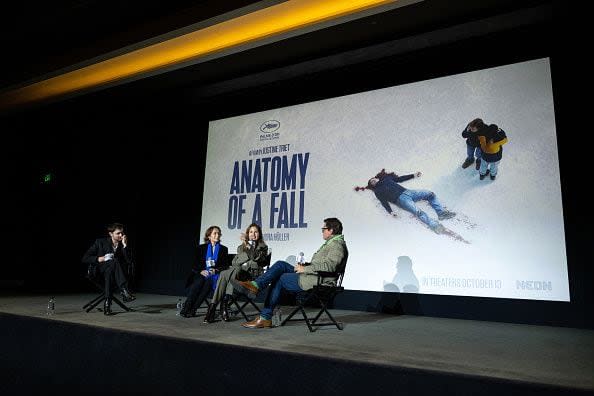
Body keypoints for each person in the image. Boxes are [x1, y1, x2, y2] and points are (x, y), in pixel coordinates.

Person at [231, 218, 348, 329]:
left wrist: (305, 269)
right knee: (281, 264)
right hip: (312, 275)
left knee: (280, 278)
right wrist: (304, 266)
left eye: (324, 229)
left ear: (331, 230)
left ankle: (264, 313)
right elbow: (323, 264)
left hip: (319, 280)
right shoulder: (332, 244)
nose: (322, 231)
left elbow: (330, 266)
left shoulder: (337, 245)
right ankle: (256, 288)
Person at [355, 169, 455, 234]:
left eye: (373, 179)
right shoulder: (377, 191)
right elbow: (384, 203)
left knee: (430, 194)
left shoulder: (387, 179)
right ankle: (435, 226)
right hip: (401, 200)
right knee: (418, 212)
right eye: (371, 182)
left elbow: (400, 179)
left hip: (409, 192)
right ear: (372, 186)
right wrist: (391, 212)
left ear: (377, 178)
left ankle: (441, 213)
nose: (373, 181)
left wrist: (414, 175)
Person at [204, 223, 269, 323]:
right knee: (234, 271)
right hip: (238, 275)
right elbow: (234, 262)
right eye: (251, 232)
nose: (253, 234)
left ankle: (214, 308)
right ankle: (222, 305)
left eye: (256, 232)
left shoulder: (263, 247)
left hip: (252, 278)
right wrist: (247, 254)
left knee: (225, 273)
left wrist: (247, 248)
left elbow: (256, 257)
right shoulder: (240, 247)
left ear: (259, 234)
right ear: (247, 234)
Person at [82, 222, 136, 315]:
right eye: (118, 233)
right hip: (99, 271)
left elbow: (129, 261)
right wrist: (101, 258)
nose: (121, 235)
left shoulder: (123, 245)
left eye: (122, 233)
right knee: (113, 262)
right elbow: (85, 258)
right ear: (111, 234)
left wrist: (125, 246)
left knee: (109, 271)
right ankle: (124, 290)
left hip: (113, 273)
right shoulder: (100, 242)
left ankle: (107, 304)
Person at [179, 225, 229, 318]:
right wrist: (201, 271)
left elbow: (225, 266)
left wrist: (216, 270)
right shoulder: (201, 248)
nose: (217, 235)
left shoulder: (223, 249)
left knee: (207, 285)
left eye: (218, 233)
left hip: (215, 275)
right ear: (209, 236)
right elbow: (194, 264)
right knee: (198, 283)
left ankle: (193, 310)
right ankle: (186, 308)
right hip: (202, 273)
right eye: (215, 233)